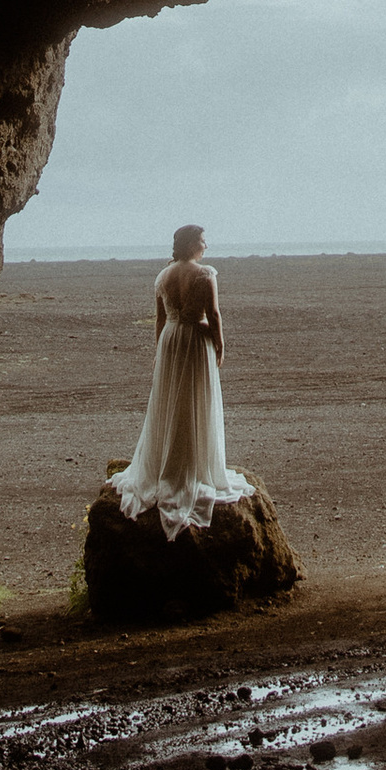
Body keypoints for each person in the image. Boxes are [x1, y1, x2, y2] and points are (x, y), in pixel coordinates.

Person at [113, 223, 257, 539]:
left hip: (170, 341)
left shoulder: (163, 276)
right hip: (193, 341)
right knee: (194, 401)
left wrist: (159, 351)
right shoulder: (205, 274)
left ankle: (169, 461)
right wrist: (220, 343)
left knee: (169, 403)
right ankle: (192, 465)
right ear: (192, 244)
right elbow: (213, 314)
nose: (206, 245)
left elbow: (162, 319)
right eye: (203, 240)